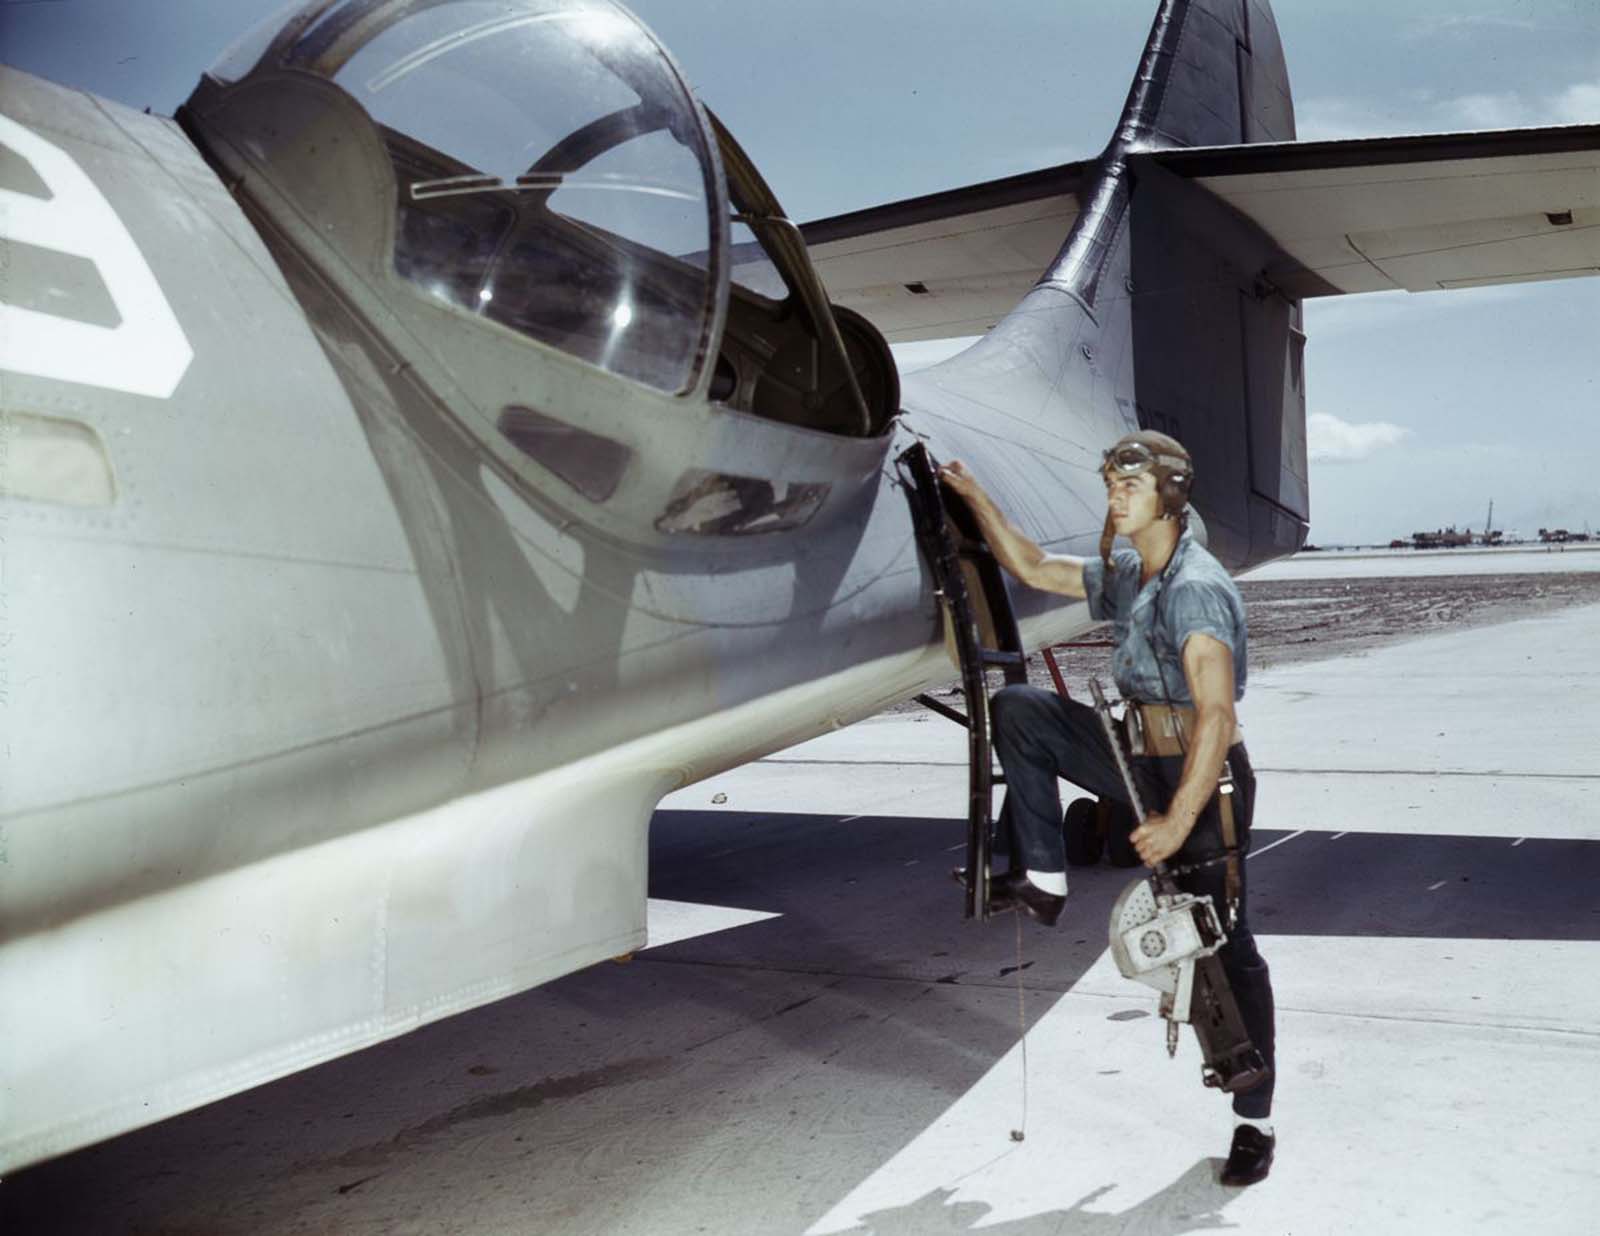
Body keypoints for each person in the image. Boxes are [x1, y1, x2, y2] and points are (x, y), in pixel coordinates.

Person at [938, 430, 1277, 1188]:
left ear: (1172, 495)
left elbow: (1216, 720)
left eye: (1130, 486)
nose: (1115, 498)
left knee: (1221, 947)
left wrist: (1176, 820)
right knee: (1021, 708)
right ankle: (1046, 881)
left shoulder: (1195, 587)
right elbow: (1029, 566)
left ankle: (1255, 1118)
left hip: (1201, 777)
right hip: (1135, 758)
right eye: (1111, 487)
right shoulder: (1133, 574)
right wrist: (973, 496)